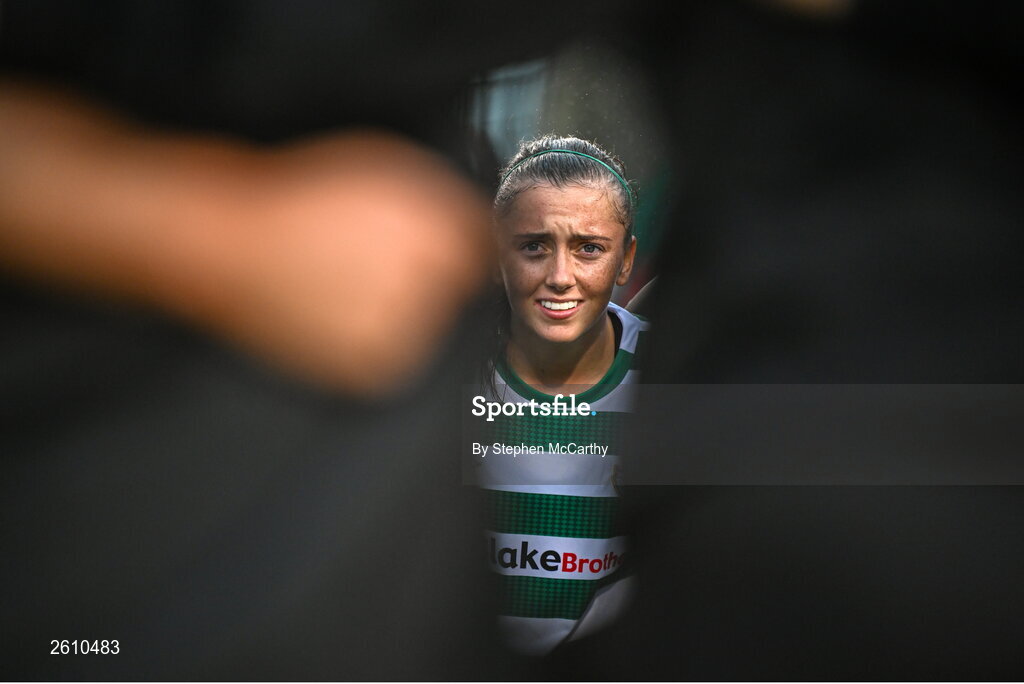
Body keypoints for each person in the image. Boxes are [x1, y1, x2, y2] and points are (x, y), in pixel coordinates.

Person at [476, 135, 649, 655]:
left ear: (625, 260)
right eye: (533, 246)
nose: (559, 277)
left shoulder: (673, 378)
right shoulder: (441, 375)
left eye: (589, 248)